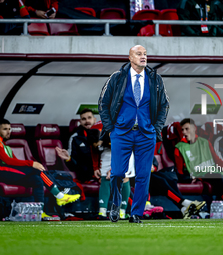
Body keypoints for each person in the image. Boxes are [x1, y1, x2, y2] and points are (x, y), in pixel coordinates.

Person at [98, 45, 169, 224]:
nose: (143, 57)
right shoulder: (117, 77)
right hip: (121, 132)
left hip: (146, 134)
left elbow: (164, 105)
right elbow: (103, 103)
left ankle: (136, 213)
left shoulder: (155, 79)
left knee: (144, 174)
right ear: (130, 57)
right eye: (139, 54)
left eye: (145, 54)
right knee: (117, 173)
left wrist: (156, 128)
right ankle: (115, 204)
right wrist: (110, 128)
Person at [0, 119, 80, 220]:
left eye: (9, 129)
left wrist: (30, 165)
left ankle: (40, 212)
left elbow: (14, 161)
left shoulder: (5, 146)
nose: (8, 132)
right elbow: (7, 161)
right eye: (5, 129)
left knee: (36, 180)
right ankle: (59, 195)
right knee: (36, 170)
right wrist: (31, 163)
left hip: (9, 172)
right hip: (2, 172)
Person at [174, 118, 223, 214]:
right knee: (217, 177)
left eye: (187, 129)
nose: (184, 132)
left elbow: (218, 161)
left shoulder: (205, 142)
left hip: (214, 170)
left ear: (194, 128)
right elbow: (180, 171)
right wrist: (190, 178)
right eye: (182, 130)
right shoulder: (179, 147)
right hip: (201, 174)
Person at [150, 142, 206, 219]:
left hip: (149, 175)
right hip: (136, 178)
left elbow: (154, 162)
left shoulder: (145, 147)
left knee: (169, 179)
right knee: (161, 180)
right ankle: (183, 202)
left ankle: (183, 208)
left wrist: (153, 167)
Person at [56, 108, 100, 183]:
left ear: (94, 120)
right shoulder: (75, 138)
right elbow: (74, 165)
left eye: (89, 118)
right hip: (86, 177)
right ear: (80, 122)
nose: (87, 121)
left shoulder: (104, 136)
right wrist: (68, 159)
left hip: (105, 174)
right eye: (84, 119)